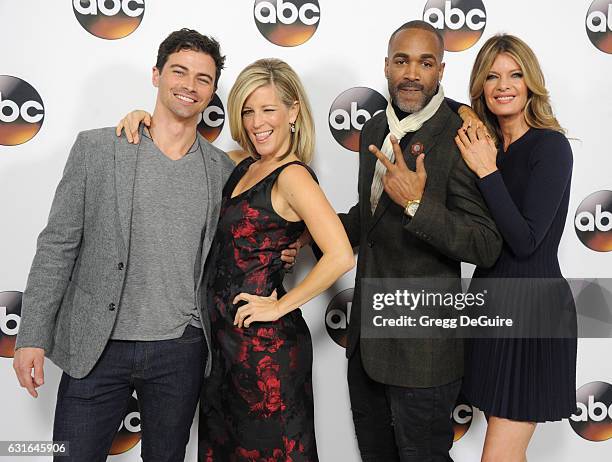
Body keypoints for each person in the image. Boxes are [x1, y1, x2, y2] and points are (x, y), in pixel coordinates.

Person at [13, 29, 234, 461]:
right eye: (179, 71)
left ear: (211, 93)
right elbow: (57, 246)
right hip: (97, 346)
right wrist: (31, 336)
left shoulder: (222, 172)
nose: (189, 86)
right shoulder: (97, 149)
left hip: (179, 350)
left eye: (203, 79)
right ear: (156, 75)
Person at [117, 58, 355, 461]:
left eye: (268, 109)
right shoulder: (241, 163)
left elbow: (341, 256)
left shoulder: (293, 176)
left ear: (293, 111)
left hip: (265, 351)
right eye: (247, 110)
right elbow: (184, 150)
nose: (257, 121)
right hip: (222, 349)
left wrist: (280, 304)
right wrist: (147, 120)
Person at [326, 20, 503, 461]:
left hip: (423, 355)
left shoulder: (463, 134)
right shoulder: (372, 131)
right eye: (401, 61)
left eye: (425, 63)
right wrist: (302, 229)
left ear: (440, 70)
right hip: (366, 345)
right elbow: (369, 220)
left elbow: (484, 243)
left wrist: (417, 206)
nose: (412, 73)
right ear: (386, 66)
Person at [454, 34, 576, 462]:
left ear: (530, 83)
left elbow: (525, 241)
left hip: (534, 313)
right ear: (481, 86)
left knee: (498, 456)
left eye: (514, 74)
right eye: (492, 76)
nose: (504, 85)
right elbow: (444, 107)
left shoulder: (551, 147)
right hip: (489, 306)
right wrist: (469, 115)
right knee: (507, 453)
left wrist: (487, 171)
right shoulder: (484, 145)